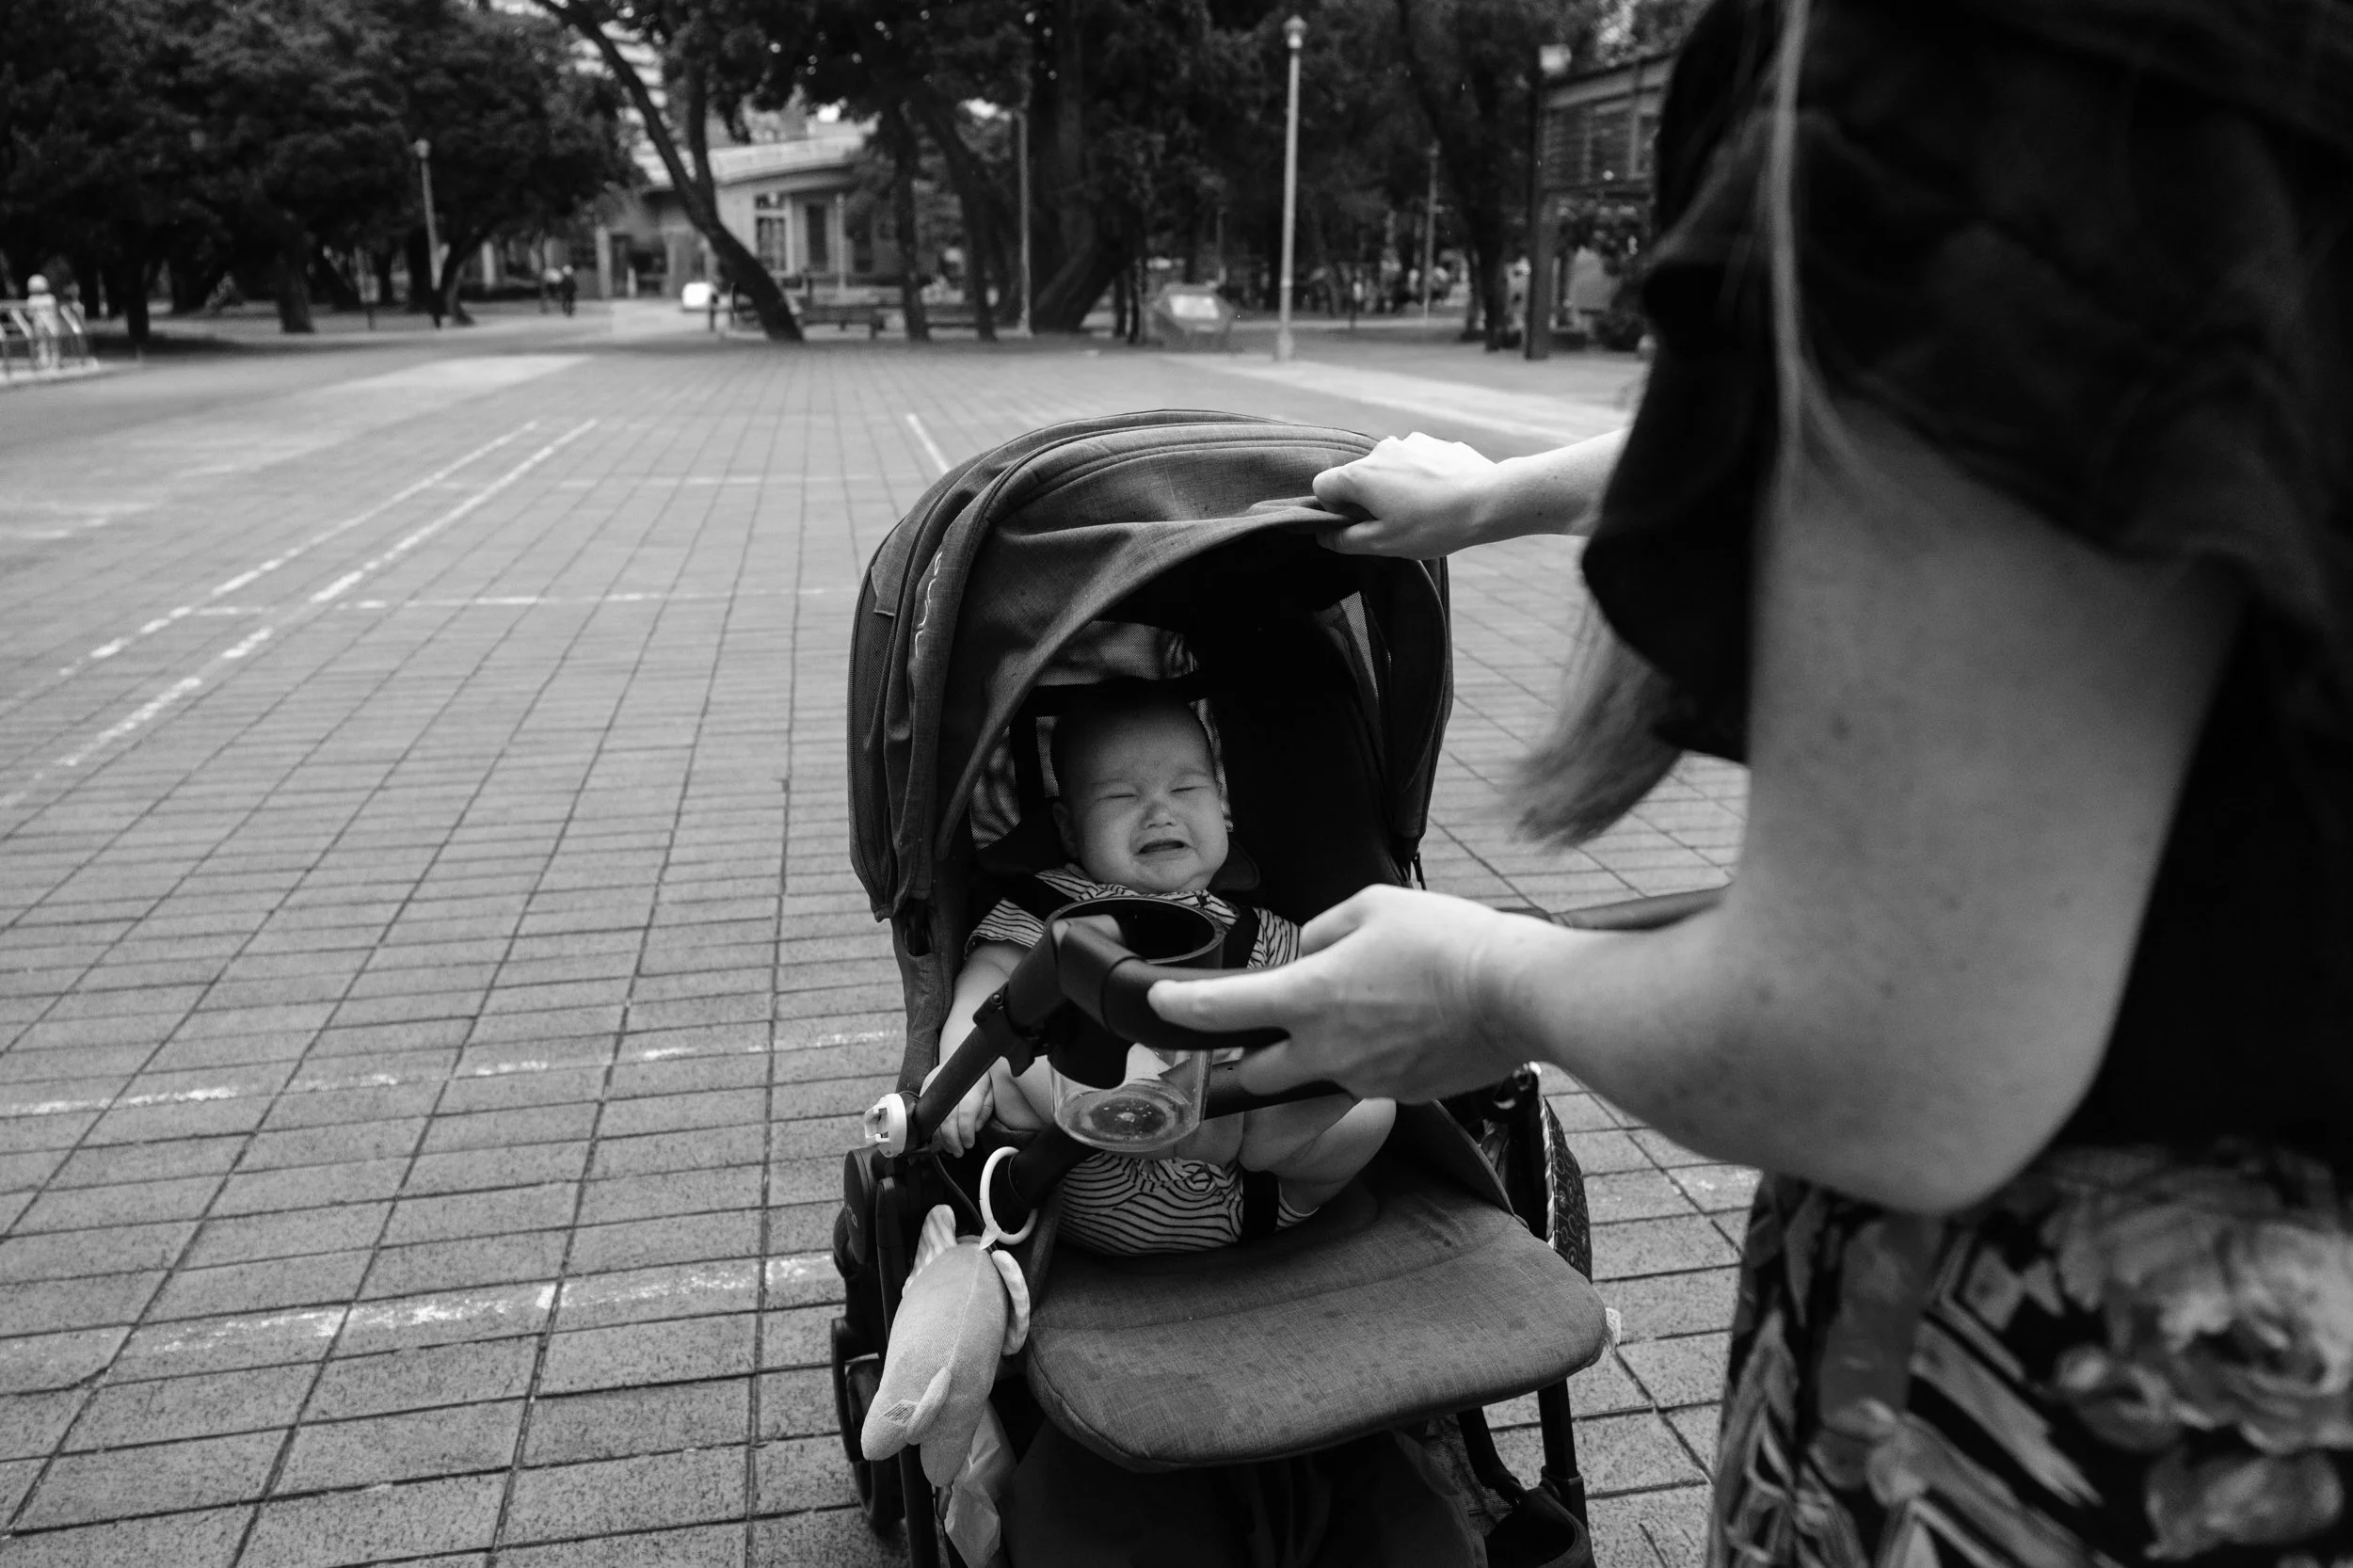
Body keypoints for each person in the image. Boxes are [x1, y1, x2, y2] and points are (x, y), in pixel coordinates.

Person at [1150, 0, 2353, 1560]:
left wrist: (1495, 987)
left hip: (2098, 1427)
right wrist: (1506, 495)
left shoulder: (2016, 59)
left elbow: (1893, 1049)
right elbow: (2087, 391)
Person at [931, 690, 1394, 1256]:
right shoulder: (1052, 909)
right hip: (1087, 1164)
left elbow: (1322, 997)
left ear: (1222, 806)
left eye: (1186, 789)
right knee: (1013, 1055)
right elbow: (986, 981)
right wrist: (959, 1072)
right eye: (1122, 796)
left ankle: (1257, 1133)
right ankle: (1160, 1123)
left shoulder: (1257, 928)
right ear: (1071, 829)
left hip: (1260, 1187)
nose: (1160, 811)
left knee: (1371, 1101)